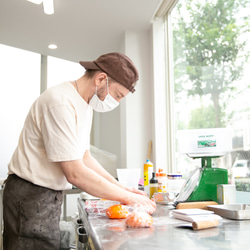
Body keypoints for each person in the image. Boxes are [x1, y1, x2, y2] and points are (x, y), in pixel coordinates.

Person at [3, 52, 156, 250]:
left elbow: (84, 157)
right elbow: (74, 172)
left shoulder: (85, 105)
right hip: (30, 194)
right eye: (117, 95)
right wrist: (127, 198)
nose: (116, 102)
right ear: (101, 79)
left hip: (47, 195)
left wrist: (120, 187)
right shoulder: (60, 102)